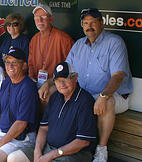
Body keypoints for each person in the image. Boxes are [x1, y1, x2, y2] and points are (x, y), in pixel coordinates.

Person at [39, 8, 133, 162]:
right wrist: (48, 83)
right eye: (86, 23)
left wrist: (104, 95)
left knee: (106, 101)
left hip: (112, 94)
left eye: (93, 23)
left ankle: (101, 150)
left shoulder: (114, 42)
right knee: (49, 92)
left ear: (101, 24)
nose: (89, 26)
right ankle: (50, 137)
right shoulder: (78, 45)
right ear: (82, 26)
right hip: (83, 94)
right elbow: (65, 70)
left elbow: (118, 75)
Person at [7, 62, 97, 162]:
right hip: (48, 148)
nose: (61, 84)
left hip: (74, 154)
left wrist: (52, 155)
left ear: (75, 78)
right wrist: (37, 151)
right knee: (14, 158)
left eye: (65, 79)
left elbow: (83, 142)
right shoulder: (55, 97)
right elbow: (44, 128)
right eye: (58, 80)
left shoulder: (85, 101)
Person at [28, 3, 74, 89]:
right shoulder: (34, 39)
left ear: (51, 19)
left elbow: (72, 67)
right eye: (37, 17)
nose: (40, 20)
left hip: (58, 85)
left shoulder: (63, 39)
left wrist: (52, 82)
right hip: (37, 83)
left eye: (43, 17)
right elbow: (31, 64)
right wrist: (32, 80)